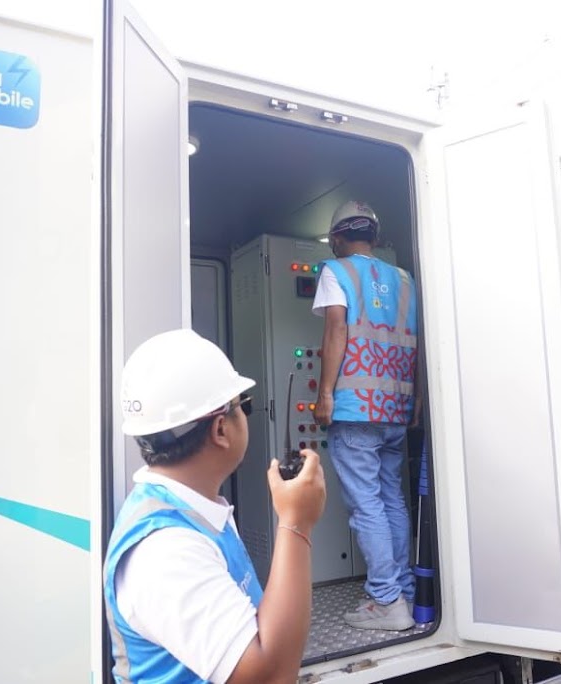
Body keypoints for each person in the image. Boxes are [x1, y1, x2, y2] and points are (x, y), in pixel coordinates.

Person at [103, 329, 326, 683]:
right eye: (243, 405)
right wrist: (296, 522)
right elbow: (270, 677)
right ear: (221, 429)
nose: (246, 414)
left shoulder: (191, 512)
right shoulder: (166, 552)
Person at [311, 200, 420, 632]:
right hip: (395, 407)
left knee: (367, 504)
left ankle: (386, 600)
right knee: (392, 499)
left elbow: (336, 329)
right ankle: (404, 591)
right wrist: (417, 400)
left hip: (356, 407)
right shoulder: (405, 280)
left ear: (337, 238)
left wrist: (325, 393)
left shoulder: (336, 271)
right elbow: (417, 340)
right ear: (373, 237)